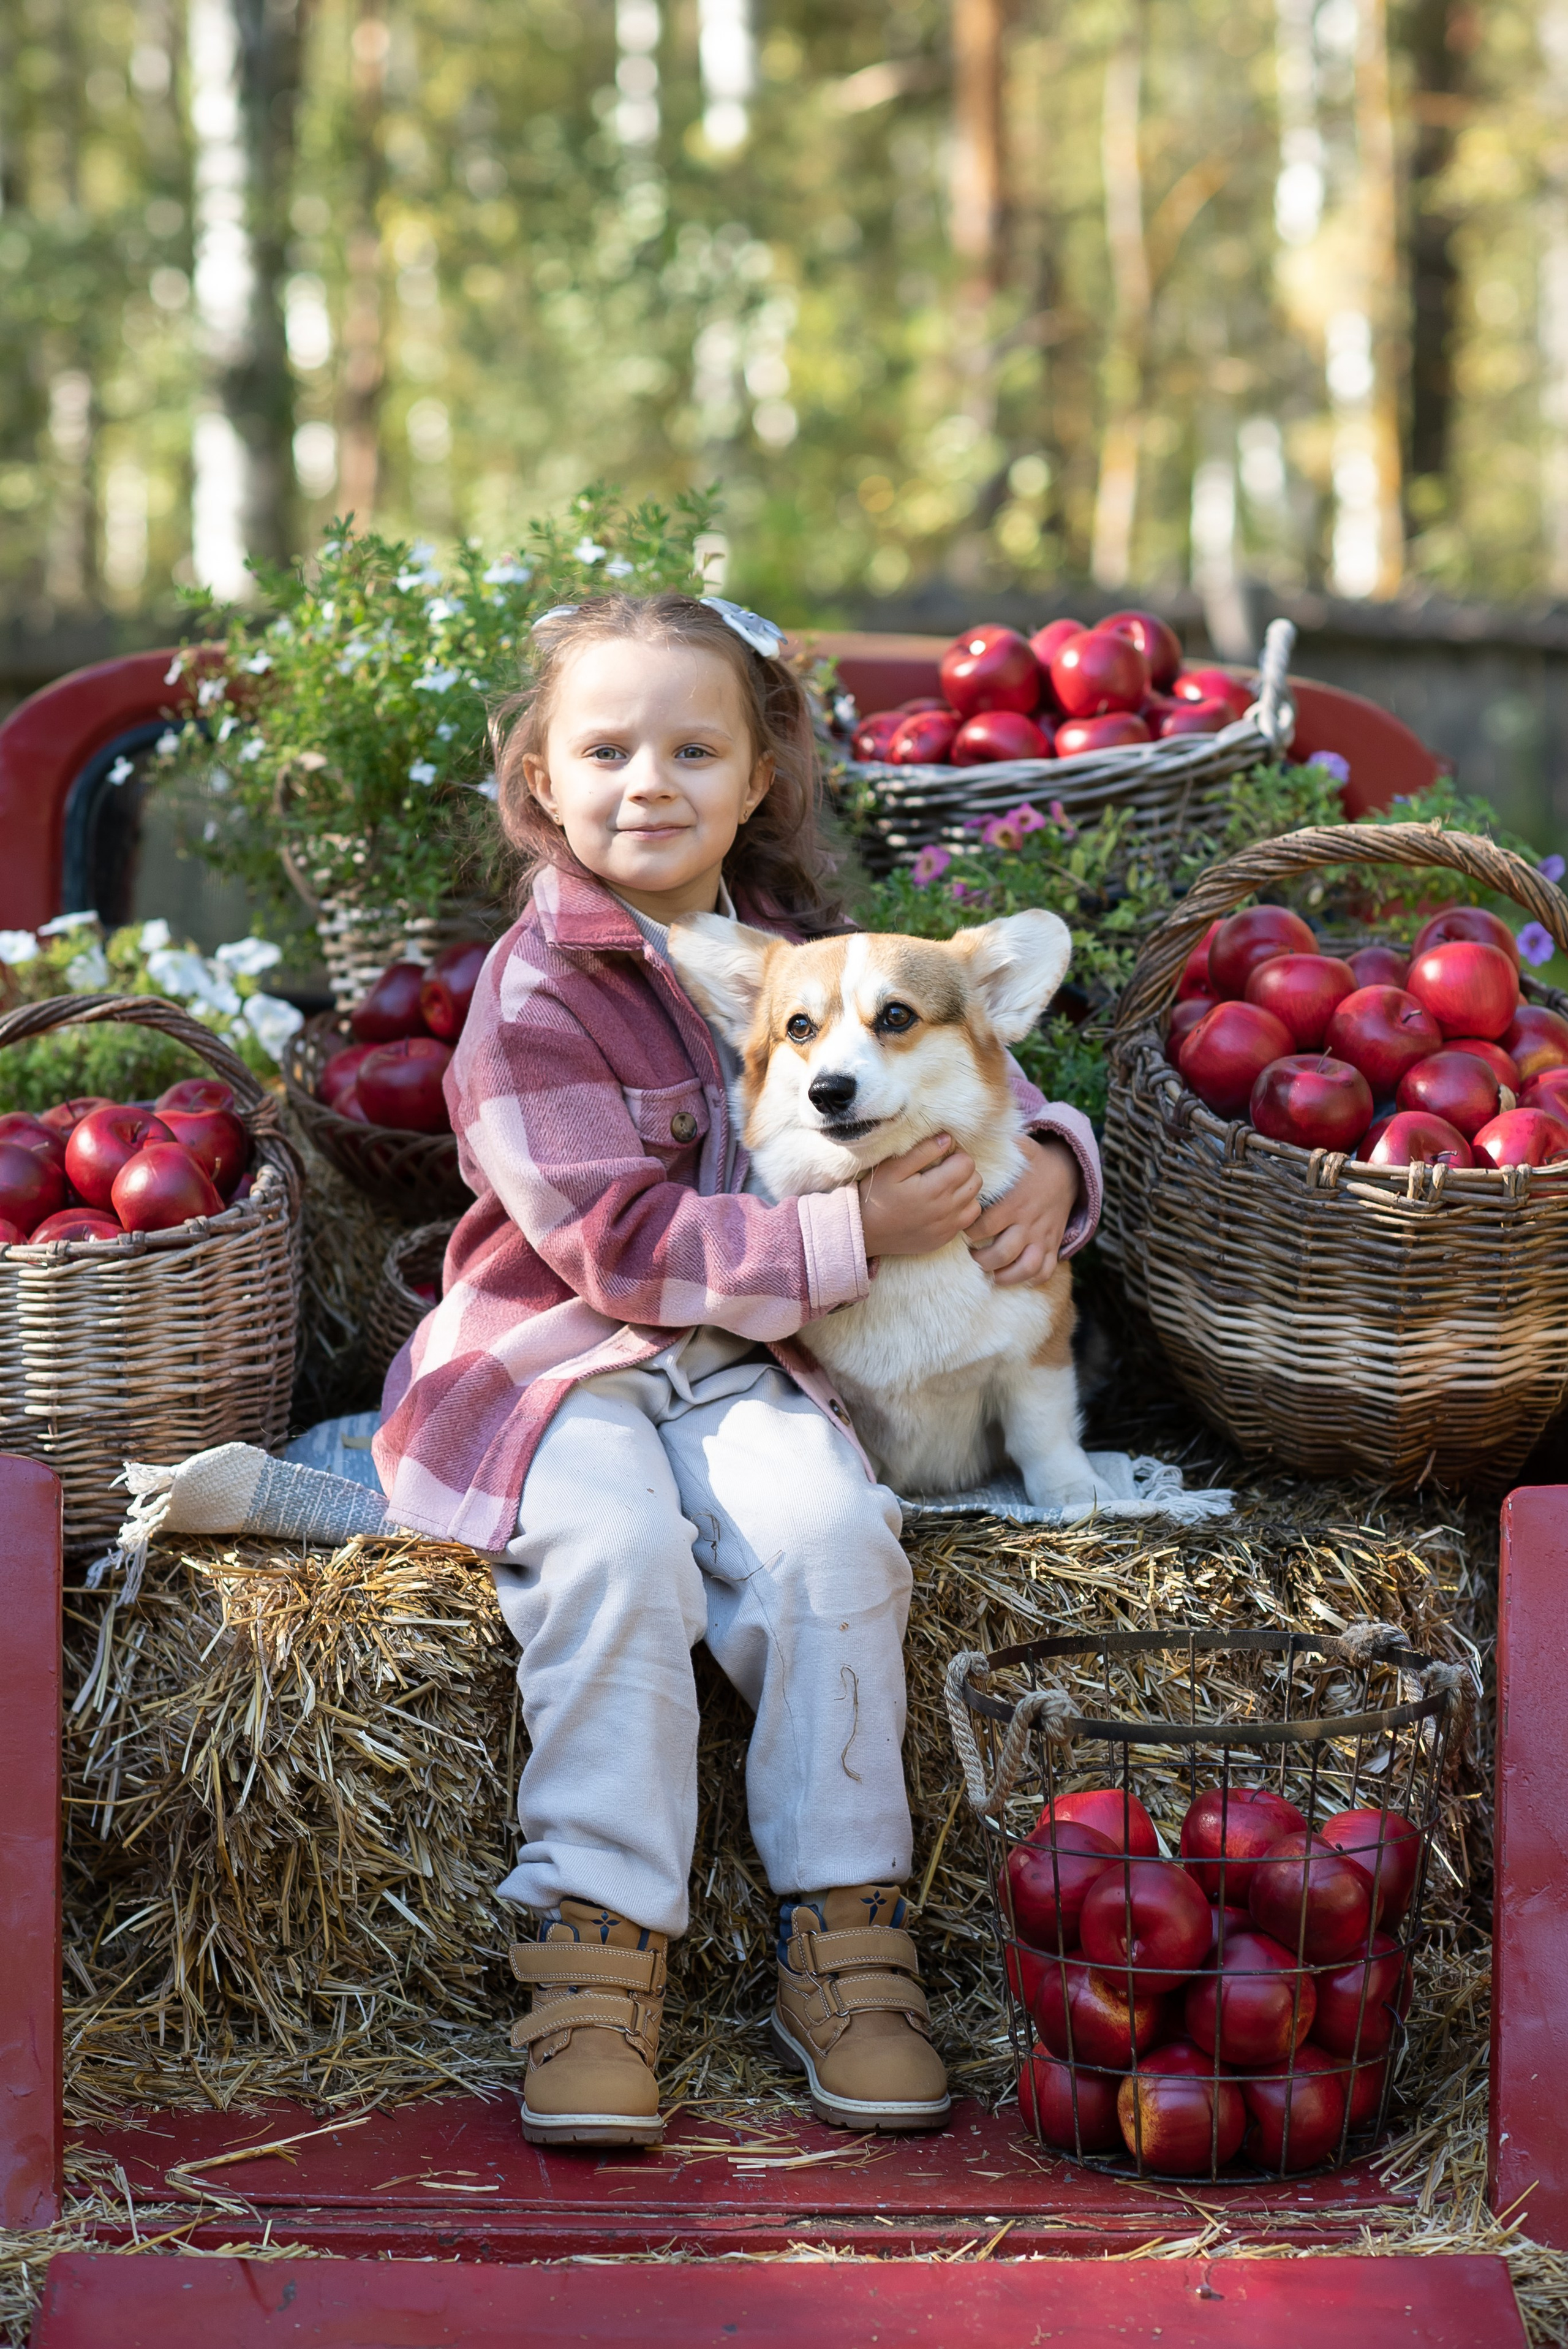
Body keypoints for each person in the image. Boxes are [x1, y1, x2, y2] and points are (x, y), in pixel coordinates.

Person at [374, 591, 1102, 2147]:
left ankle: (845, 1943)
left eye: (694, 746)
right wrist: (847, 1247)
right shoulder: (531, 997)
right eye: (608, 747)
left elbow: (962, 1070)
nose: (651, 781)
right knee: (620, 1557)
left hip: (756, 1366)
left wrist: (1046, 1153)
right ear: (541, 780)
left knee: (837, 1541)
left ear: (758, 776)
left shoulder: (793, 956)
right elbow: (616, 1249)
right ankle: (592, 1956)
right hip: (561, 1364)